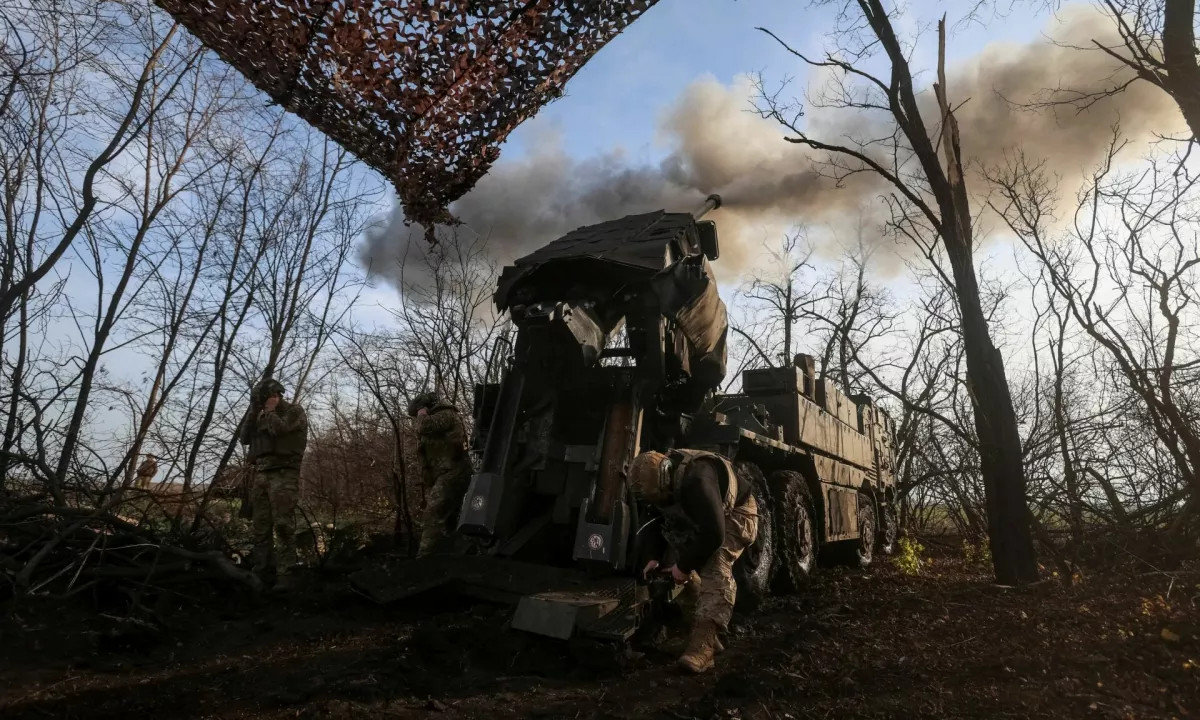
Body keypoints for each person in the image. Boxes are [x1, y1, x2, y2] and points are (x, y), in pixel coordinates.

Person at [630, 448, 758, 674]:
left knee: (716, 565)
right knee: (674, 568)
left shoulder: (697, 481)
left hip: (738, 512)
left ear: (666, 480)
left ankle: (703, 647)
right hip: (705, 514)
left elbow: (715, 534)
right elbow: (655, 519)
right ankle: (705, 636)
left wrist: (684, 566)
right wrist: (653, 557)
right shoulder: (658, 486)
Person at [241, 378, 308, 589]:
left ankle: (286, 575)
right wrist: (253, 412)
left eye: (266, 399)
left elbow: (281, 430)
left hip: (284, 473)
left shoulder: (294, 411)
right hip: (261, 474)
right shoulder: (259, 415)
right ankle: (262, 571)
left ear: (276, 395)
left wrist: (270, 411)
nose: (263, 403)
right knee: (260, 527)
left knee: (283, 525)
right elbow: (244, 438)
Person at [407, 391, 472, 558]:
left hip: (455, 472)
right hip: (442, 474)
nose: (417, 418)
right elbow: (422, 449)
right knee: (450, 518)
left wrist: (422, 413)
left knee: (434, 512)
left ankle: (424, 557)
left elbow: (424, 426)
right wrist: (426, 472)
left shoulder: (447, 415)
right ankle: (457, 552)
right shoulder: (431, 422)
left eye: (418, 413)